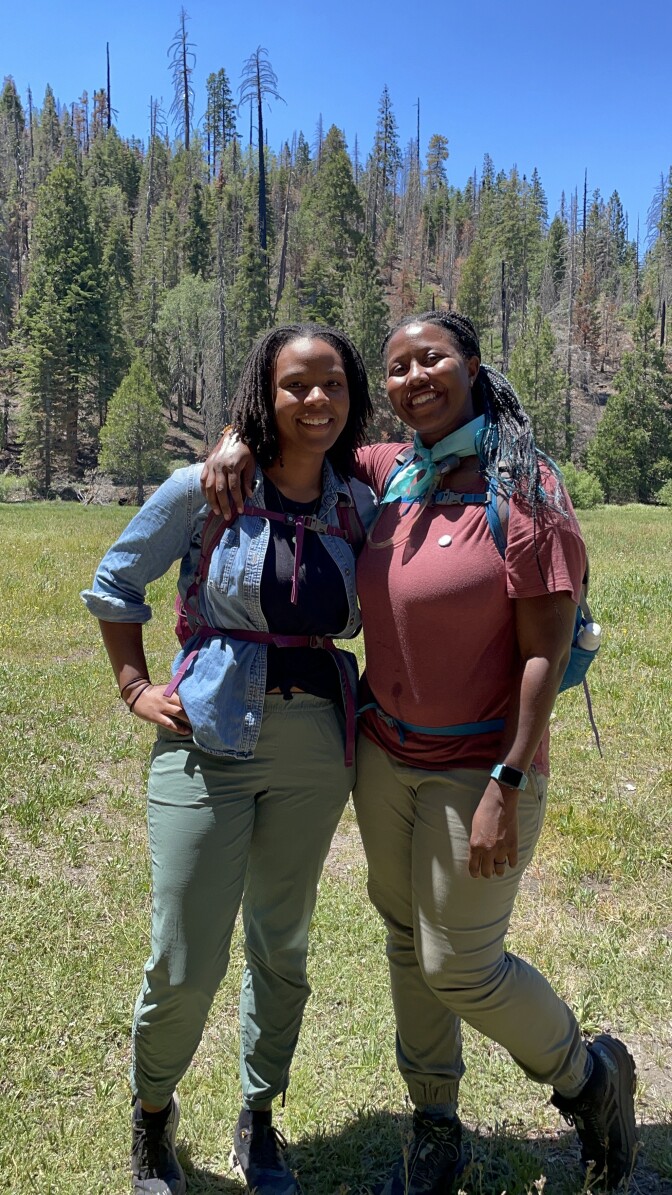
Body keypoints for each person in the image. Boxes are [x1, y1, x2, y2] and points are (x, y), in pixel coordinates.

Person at [201, 310, 637, 1193]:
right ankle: (435, 1119)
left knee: (459, 961)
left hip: (480, 766)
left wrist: (507, 782)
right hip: (382, 754)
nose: (412, 378)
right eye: (396, 367)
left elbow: (546, 652)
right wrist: (230, 441)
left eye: (430, 358)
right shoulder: (387, 470)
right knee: (407, 939)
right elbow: (295, 432)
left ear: (472, 366)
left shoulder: (528, 488)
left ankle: (590, 1077)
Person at [82, 324, 376, 1195]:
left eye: (333, 383)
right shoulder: (207, 488)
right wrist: (136, 687)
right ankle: (152, 1116)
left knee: (281, 944)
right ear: (265, 393)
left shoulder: (358, 500)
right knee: (184, 954)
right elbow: (116, 580)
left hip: (317, 748)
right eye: (296, 385)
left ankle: (259, 1114)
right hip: (206, 740)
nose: (316, 399)